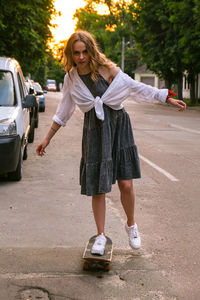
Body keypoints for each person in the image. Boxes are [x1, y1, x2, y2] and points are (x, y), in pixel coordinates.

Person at [36, 31, 186, 255]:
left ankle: (131, 224)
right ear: (71, 53)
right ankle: (101, 235)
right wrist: (47, 138)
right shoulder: (71, 78)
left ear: (91, 50)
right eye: (76, 53)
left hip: (118, 126)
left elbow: (136, 87)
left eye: (85, 51)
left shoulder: (107, 69)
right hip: (94, 131)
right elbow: (64, 111)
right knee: (99, 187)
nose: (81, 57)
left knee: (126, 183)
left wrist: (166, 97)